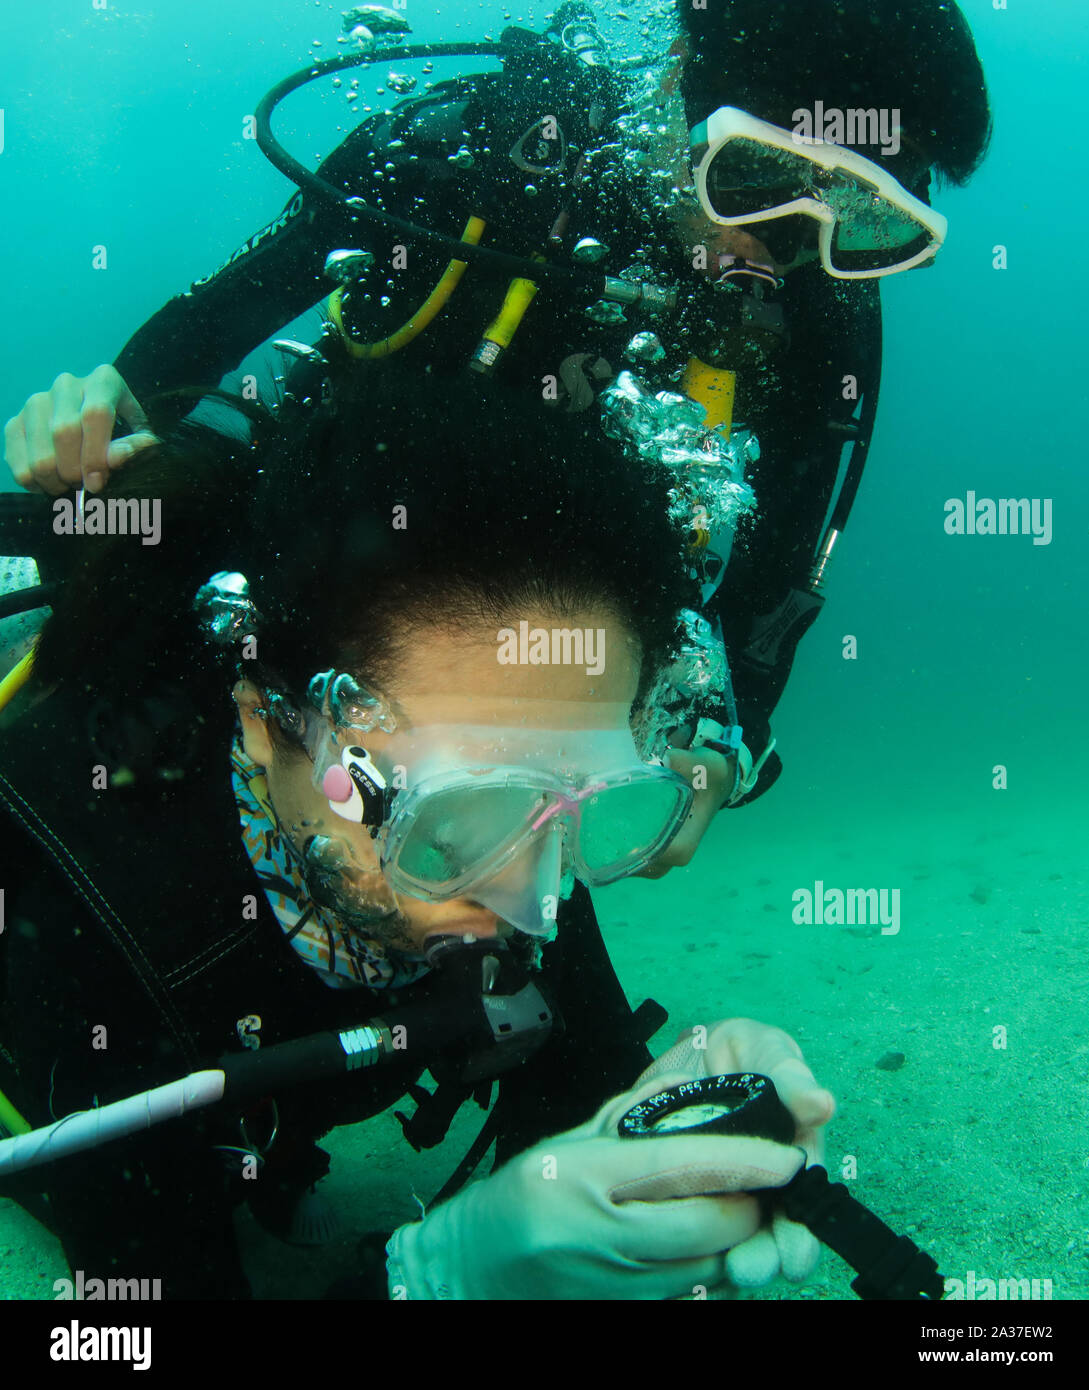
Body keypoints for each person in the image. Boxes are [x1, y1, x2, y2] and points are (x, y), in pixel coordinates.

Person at [1, 0, 993, 810]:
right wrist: (101, 407)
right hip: (306, 566)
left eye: (864, 215)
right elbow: (213, 323)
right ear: (674, 77)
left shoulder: (823, 304)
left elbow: (778, 567)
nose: (785, 243)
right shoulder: (471, 152)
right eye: (757, 178)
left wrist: (720, 732)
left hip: (517, 703)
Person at [0, 382, 834, 1299]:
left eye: (585, 807)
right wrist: (428, 1276)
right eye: (458, 815)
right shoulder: (88, 892)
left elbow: (581, 1110)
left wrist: (667, 1126)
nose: (534, 903)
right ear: (267, 721)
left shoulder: (515, 840)